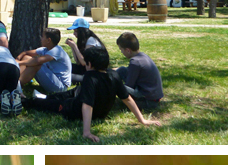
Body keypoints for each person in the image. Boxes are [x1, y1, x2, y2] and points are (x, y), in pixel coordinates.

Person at [24, 45, 160, 142]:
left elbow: (87, 106)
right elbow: (127, 98)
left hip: (73, 109)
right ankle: (46, 96)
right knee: (70, 92)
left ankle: (26, 101)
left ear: (89, 64)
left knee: (50, 104)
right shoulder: (114, 75)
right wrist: (142, 120)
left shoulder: (90, 77)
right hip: (101, 112)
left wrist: (86, 132)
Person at [114, 31, 163, 110]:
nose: (121, 52)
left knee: (117, 85)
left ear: (128, 50)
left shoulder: (135, 62)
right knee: (122, 70)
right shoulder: (142, 56)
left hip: (147, 102)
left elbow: (129, 86)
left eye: (121, 50)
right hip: (152, 96)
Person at [18, 27, 72, 95]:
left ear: (48, 40)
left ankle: (16, 85)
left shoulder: (56, 51)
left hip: (60, 87)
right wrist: (18, 58)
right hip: (52, 81)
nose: (41, 39)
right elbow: (26, 53)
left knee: (38, 64)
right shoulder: (45, 49)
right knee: (26, 58)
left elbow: (37, 61)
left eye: (43, 37)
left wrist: (18, 63)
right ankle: (16, 81)